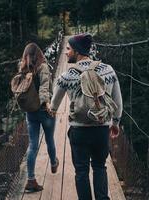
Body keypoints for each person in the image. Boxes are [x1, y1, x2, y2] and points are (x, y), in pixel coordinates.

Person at [49, 34, 123, 200]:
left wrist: (50, 109)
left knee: (81, 170)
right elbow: (118, 101)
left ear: (77, 51)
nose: (66, 52)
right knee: (99, 167)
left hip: (79, 131)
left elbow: (53, 105)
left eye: (68, 49)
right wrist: (116, 123)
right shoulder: (108, 70)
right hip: (102, 129)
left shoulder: (66, 76)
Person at [21, 43, 59, 192]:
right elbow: (44, 86)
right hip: (44, 110)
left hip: (30, 112)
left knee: (32, 145)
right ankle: (54, 162)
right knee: (49, 139)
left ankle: (30, 180)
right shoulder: (43, 67)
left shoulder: (23, 68)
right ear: (39, 54)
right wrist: (46, 103)